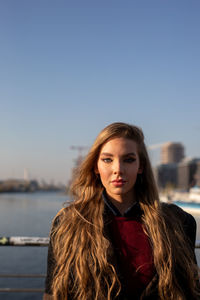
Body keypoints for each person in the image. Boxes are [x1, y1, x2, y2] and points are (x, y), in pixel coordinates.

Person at [43, 122, 200, 300]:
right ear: (95, 166)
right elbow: (53, 293)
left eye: (129, 159)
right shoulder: (68, 222)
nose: (118, 169)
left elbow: (190, 290)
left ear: (141, 166)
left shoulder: (178, 221)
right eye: (107, 160)